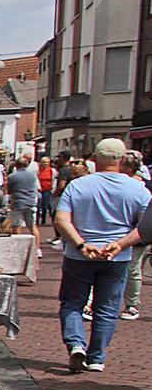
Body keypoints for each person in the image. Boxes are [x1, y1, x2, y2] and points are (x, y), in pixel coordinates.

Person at [53, 138, 148, 373]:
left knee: (72, 303)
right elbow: (146, 226)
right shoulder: (137, 189)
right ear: (122, 160)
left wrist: (81, 244)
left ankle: (76, 344)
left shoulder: (78, 186)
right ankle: (96, 357)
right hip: (116, 257)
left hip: (79, 256)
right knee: (106, 308)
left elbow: (61, 219)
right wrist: (120, 244)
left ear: (94, 159)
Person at [117, 152, 151, 320]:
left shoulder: (142, 186)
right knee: (131, 269)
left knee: (132, 268)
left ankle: (131, 305)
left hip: (136, 234)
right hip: (125, 233)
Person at [6, 153, 42, 260]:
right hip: (30, 202)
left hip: (18, 202)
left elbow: (9, 190)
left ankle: (19, 249)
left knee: (16, 226)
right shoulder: (32, 175)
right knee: (32, 226)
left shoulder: (12, 176)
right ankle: (37, 249)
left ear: (16, 165)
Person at [36, 156, 55, 226]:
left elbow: (53, 179)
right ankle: (37, 220)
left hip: (47, 189)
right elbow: (36, 178)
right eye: (44, 162)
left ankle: (43, 220)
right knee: (39, 204)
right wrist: (38, 187)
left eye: (47, 162)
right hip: (39, 189)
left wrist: (53, 188)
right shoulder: (38, 170)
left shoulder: (52, 170)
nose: (46, 164)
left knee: (45, 205)